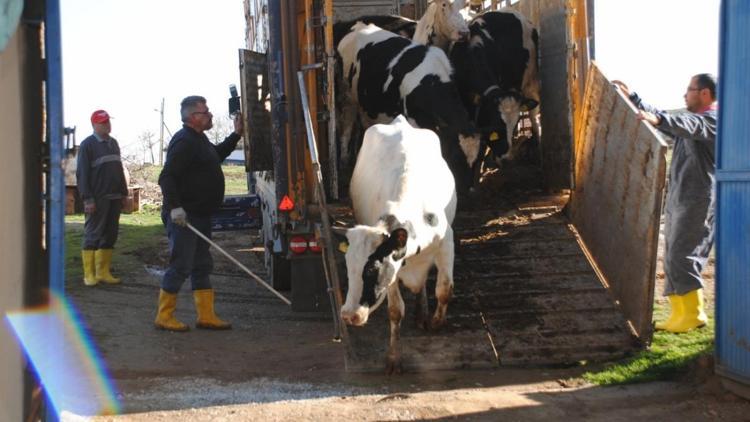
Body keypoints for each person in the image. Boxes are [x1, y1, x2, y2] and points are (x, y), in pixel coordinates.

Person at [614, 74, 717, 333]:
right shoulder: (694, 120)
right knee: (672, 255)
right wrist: (635, 100)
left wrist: (659, 119)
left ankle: (694, 314)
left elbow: (683, 123)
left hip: (699, 199)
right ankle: (679, 314)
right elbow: (671, 122)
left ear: (704, 93)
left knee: (684, 255)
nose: (685, 94)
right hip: (682, 196)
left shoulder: (712, 121)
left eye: (690, 89)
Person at [154, 95, 243, 332]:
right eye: (206, 112)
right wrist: (175, 208)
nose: (210, 115)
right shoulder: (184, 141)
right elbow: (167, 177)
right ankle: (164, 316)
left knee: (202, 265)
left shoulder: (200, 139)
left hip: (200, 215)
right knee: (181, 265)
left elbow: (218, 154)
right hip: (185, 217)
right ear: (193, 117)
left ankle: (206, 316)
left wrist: (236, 134)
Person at [76, 109, 129, 286]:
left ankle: (103, 272)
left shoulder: (113, 143)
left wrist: (124, 193)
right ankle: (89, 275)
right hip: (97, 198)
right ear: (94, 124)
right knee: (93, 234)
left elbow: (119, 170)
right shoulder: (87, 145)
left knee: (110, 234)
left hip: (114, 197)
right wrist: (87, 199)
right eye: (103, 122)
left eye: (108, 121)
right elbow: (82, 174)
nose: (107, 124)